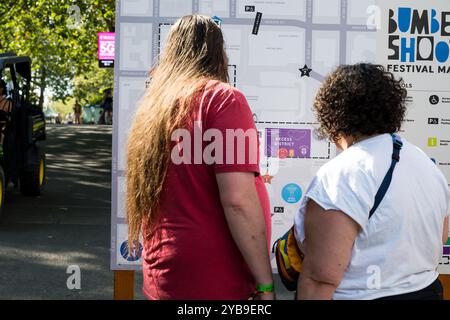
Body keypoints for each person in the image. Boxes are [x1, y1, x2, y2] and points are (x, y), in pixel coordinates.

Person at [126, 15, 274, 300]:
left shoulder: (154, 108)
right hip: (214, 277)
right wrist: (266, 283)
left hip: (164, 270)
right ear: (219, 54)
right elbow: (238, 201)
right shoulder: (222, 99)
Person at [295, 63, 449, 300]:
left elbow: (320, 278)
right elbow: (437, 240)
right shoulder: (425, 165)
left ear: (333, 115)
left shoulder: (342, 174)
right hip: (426, 292)